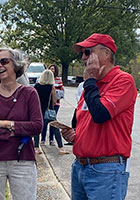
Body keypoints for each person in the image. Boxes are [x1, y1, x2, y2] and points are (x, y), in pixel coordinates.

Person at [61, 33, 137, 200]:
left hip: (105, 169)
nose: (83, 58)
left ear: (106, 53)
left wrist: (90, 82)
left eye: (88, 52)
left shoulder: (122, 80)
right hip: (80, 166)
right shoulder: (91, 85)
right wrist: (76, 135)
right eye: (81, 53)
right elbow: (88, 122)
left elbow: (101, 114)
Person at [0, 47, 43, 200]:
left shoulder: (29, 94)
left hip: (23, 160)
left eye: (4, 61)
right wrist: (18, 130)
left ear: (16, 65)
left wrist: (5, 124)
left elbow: (37, 126)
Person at [34, 70, 69, 155]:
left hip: (38, 109)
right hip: (49, 110)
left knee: (37, 129)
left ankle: (36, 148)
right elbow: (54, 101)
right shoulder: (51, 87)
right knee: (55, 127)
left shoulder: (36, 86)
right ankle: (61, 148)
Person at [46, 64, 65, 147]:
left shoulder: (58, 80)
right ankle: (43, 139)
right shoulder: (46, 79)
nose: (52, 70)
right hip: (47, 103)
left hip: (56, 103)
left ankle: (51, 139)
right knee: (45, 121)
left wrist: (56, 94)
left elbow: (61, 90)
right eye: (50, 68)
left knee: (52, 121)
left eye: (53, 69)